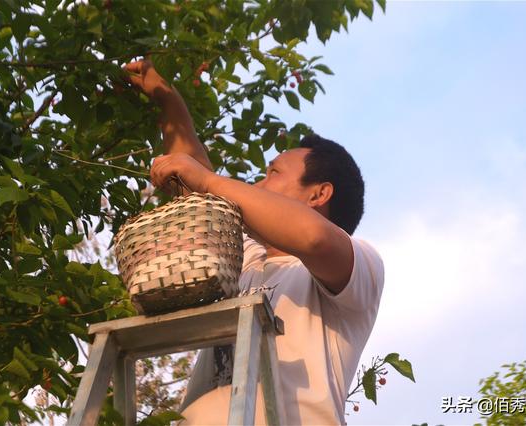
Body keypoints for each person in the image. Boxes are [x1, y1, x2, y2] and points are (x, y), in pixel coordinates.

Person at [124, 60, 385, 425]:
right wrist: (169, 102)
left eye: (273, 173)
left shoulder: (359, 265)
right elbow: (195, 182)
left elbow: (312, 237)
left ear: (319, 194)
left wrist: (208, 181)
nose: (255, 186)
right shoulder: (245, 261)